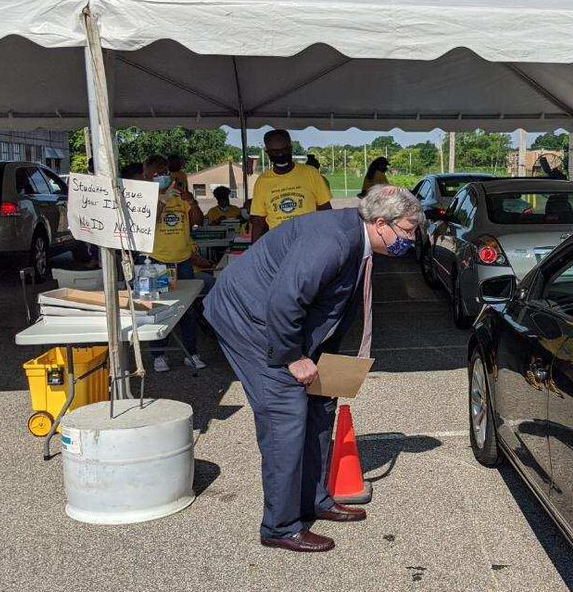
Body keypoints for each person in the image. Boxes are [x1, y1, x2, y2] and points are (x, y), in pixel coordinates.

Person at [203, 184, 423, 553]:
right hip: (253, 322)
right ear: (381, 223)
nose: (411, 239)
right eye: (407, 230)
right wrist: (293, 357)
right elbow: (285, 300)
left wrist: (329, 362)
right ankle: (281, 525)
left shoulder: (358, 239)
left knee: (321, 406)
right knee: (285, 415)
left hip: (286, 322)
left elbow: (332, 305)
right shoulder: (332, 242)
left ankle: (314, 500)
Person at [144, 154, 207, 372]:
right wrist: (161, 200)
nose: (161, 177)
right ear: (147, 176)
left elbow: (198, 222)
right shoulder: (145, 198)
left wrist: (193, 202)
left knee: (187, 310)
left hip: (183, 261)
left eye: (164, 173)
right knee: (157, 310)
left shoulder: (180, 196)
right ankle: (158, 354)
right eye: (156, 174)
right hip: (156, 262)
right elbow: (147, 222)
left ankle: (191, 352)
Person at [248, 129, 332, 242]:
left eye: (284, 150)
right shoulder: (262, 181)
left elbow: (326, 211)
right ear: (267, 153)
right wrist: (255, 253)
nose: (280, 154)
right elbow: (258, 220)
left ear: (291, 148)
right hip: (278, 245)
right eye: (275, 151)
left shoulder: (311, 173)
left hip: (309, 242)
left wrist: (329, 241)